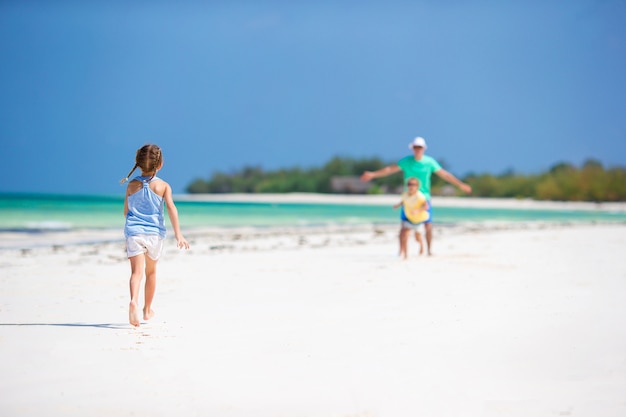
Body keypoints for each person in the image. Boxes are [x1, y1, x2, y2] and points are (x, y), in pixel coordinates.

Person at [361, 137, 472, 255]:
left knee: (428, 225)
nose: (418, 149)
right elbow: (390, 169)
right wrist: (373, 174)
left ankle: (429, 251)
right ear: (412, 148)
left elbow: (445, 175)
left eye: (420, 147)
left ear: (424, 149)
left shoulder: (429, 162)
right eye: (415, 147)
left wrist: (460, 184)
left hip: (424, 197)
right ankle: (401, 252)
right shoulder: (406, 161)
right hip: (408, 197)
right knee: (404, 226)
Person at [120, 144, 190, 327]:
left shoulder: (131, 185)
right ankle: (147, 309)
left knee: (136, 273)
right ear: (160, 164)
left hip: (134, 233)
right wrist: (179, 235)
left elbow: (126, 212)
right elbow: (171, 209)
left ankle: (133, 300)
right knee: (151, 272)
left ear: (139, 163)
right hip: (154, 235)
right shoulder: (163, 186)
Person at [393, 177, 429, 259]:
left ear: (417, 186)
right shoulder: (405, 194)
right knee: (404, 235)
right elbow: (403, 201)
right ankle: (405, 255)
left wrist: (418, 211)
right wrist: (397, 205)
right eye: (409, 184)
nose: (411, 186)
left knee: (417, 238)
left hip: (418, 220)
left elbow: (426, 206)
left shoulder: (420, 196)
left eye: (413, 185)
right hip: (409, 219)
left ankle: (421, 245)